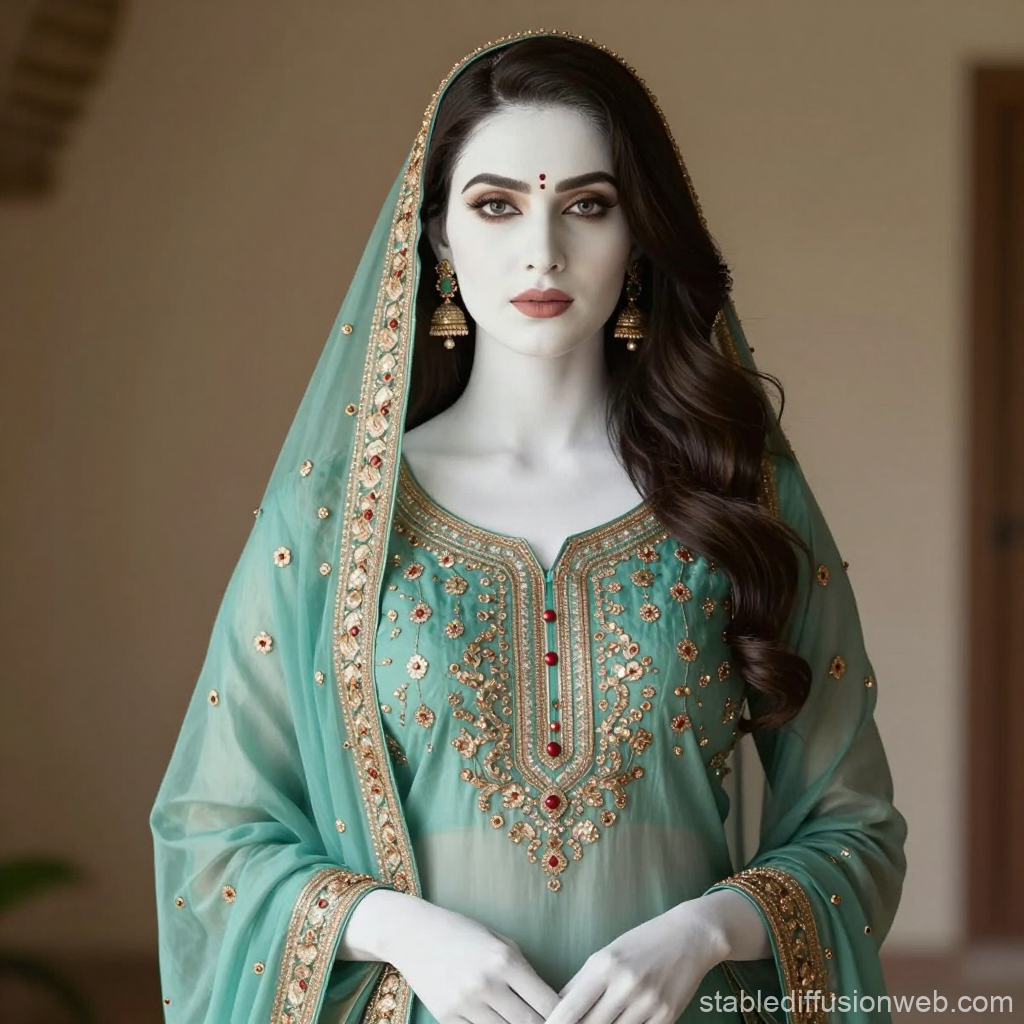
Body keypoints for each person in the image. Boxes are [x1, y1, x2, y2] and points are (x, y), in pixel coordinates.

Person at [150, 29, 908, 1024]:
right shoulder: (337, 518)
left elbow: (853, 828)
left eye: (586, 205)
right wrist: (395, 926)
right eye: (496, 204)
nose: (541, 249)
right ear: (436, 238)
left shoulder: (739, 496)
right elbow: (216, 830)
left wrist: (706, 930)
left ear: (636, 236)